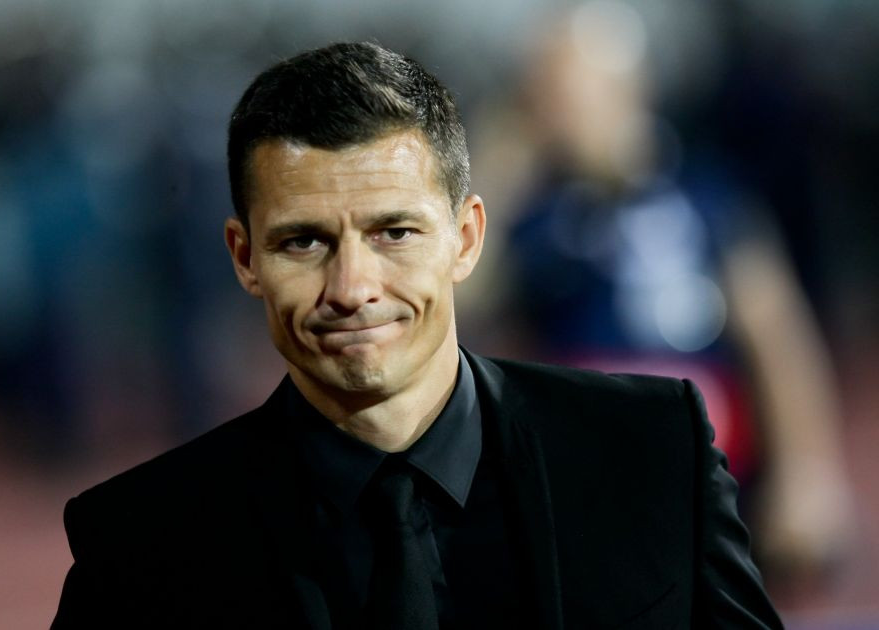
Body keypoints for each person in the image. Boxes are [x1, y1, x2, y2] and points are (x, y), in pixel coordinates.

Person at [51, 42, 783, 628]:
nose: (352, 288)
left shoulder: (655, 452)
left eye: (394, 233)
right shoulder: (138, 546)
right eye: (304, 242)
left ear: (466, 239)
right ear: (245, 259)